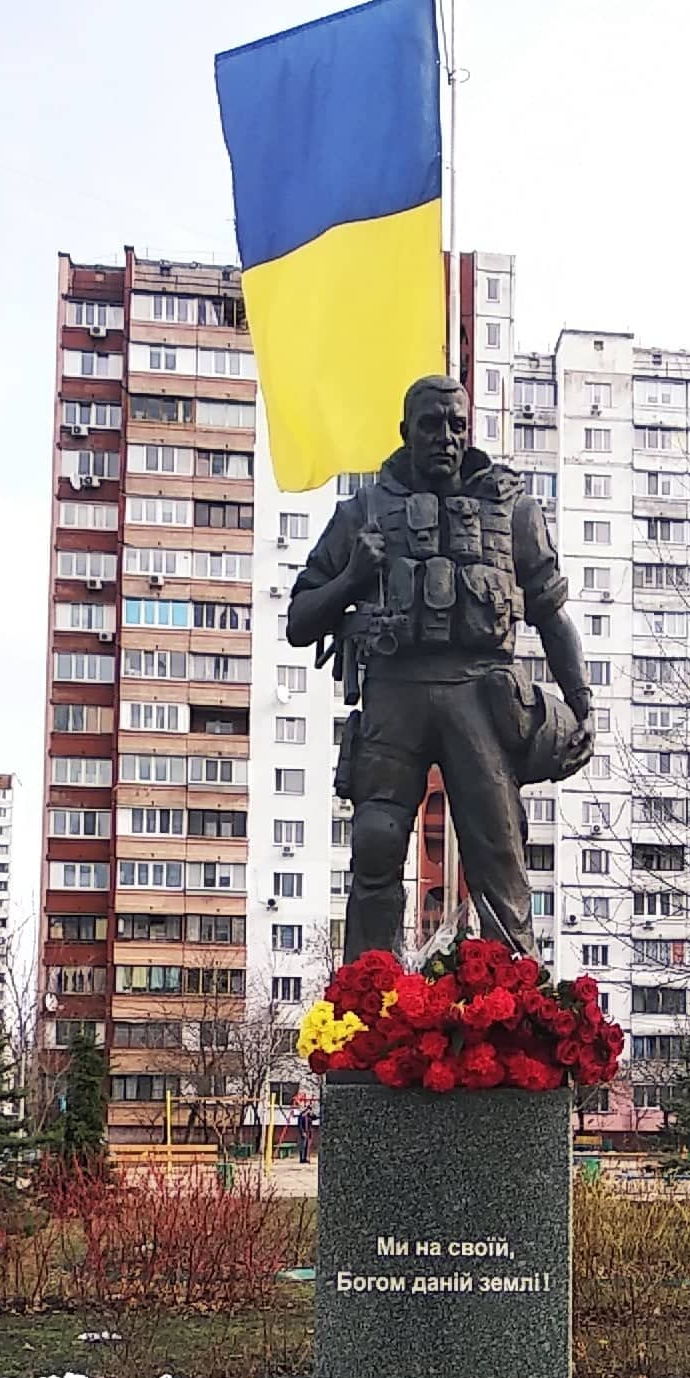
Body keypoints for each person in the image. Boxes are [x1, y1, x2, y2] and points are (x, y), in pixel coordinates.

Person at [288, 375, 594, 959]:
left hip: (482, 698)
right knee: (375, 849)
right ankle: (365, 1007)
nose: (445, 437)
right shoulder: (365, 513)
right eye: (431, 424)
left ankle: (518, 1015)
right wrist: (352, 577)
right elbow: (301, 619)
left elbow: (552, 616)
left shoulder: (513, 512)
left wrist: (582, 704)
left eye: (457, 424)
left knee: (500, 861)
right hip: (394, 696)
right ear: (406, 432)